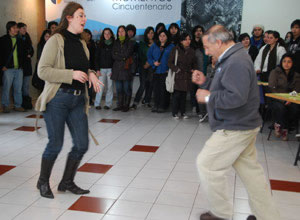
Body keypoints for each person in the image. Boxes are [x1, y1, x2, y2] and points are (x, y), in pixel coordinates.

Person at [192, 25, 280, 220]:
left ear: (220, 42)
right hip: (244, 124)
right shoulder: (231, 58)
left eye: (207, 47)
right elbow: (225, 86)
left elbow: (236, 97)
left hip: (235, 127)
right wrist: (206, 82)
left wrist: (208, 98)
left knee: (207, 165)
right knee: (252, 175)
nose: (206, 52)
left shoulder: (236, 61)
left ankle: (221, 214)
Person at [35, 2, 102, 199]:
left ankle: (66, 181)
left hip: (78, 100)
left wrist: (90, 74)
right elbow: (42, 71)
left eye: (84, 15)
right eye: (80, 15)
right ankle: (43, 181)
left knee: (82, 144)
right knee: (55, 144)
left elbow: (84, 67)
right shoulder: (56, 40)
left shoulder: (82, 43)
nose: (84, 19)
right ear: (69, 18)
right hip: (58, 99)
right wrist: (70, 75)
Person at [268, 53, 300, 141]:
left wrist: (290, 99)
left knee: (295, 109)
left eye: (289, 62)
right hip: (275, 98)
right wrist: (283, 100)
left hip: (290, 99)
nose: (286, 64)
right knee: (281, 108)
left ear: (293, 63)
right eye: (284, 61)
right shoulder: (275, 72)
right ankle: (279, 125)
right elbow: (272, 88)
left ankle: (285, 127)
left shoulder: (296, 75)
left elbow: (296, 91)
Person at [168, 33, 197, 119]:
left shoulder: (192, 51)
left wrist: (194, 69)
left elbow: (194, 63)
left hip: (187, 76)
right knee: (176, 95)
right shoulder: (176, 49)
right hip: (178, 76)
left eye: (189, 39)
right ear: (181, 41)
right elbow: (169, 62)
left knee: (184, 96)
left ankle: (183, 112)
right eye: (186, 39)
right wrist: (176, 69)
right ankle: (174, 112)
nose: (188, 41)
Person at [0, 21, 26, 113]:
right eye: (14, 28)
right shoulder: (3, 40)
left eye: (17, 28)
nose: (17, 29)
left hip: (19, 69)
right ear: (9, 29)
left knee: (18, 88)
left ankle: (18, 105)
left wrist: (22, 65)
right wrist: (2, 65)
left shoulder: (20, 40)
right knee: (6, 88)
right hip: (8, 69)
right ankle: (6, 106)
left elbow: (23, 54)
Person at [147, 30, 174, 113]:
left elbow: (174, 59)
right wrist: (153, 63)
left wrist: (170, 68)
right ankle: (156, 105)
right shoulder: (154, 46)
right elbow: (149, 56)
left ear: (167, 37)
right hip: (156, 71)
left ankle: (163, 106)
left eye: (164, 36)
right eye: (160, 36)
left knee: (164, 90)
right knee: (156, 89)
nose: (162, 37)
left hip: (165, 71)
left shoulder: (171, 46)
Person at [111, 25, 135, 112]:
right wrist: (122, 57)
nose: (120, 33)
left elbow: (127, 54)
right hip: (117, 69)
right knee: (118, 89)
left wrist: (120, 56)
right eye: (119, 31)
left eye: (122, 31)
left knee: (126, 88)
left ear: (125, 32)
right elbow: (113, 55)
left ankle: (126, 105)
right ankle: (120, 105)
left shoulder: (130, 42)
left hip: (126, 69)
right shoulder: (116, 42)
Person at [131, 26, 155, 109]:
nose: (150, 34)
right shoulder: (142, 43)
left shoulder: (156, 43)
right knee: (143, 84)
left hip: (152, 66)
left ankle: (147, 101)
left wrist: (150, 63)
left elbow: (157, 55)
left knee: (151, 84)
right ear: (146, 34)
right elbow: (140, 54)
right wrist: (146, 63)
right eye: (149, 33)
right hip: (143, 66)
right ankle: (135, 102)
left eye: (152, 33)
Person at [94, 28, 115, 110]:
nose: (107, 35)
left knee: (110, 87)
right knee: (100, 87)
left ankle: (108, 104)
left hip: (111, 69)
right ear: (103, 35)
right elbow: (96, 58)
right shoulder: (100, 44)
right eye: (105, 33)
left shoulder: (114, 44)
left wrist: (114, 69)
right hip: (101, 69)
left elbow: (115, 58)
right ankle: (97, 104)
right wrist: (97, 69)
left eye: (108, 33)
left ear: (111, 34)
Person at [18, 22, 34, 107]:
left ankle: (26, 103)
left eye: (25, 28)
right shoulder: (17, 38)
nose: (25, 30)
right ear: (19, 29)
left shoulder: (27, 37)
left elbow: (31, 50)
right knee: (19, 86)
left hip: (27, 65)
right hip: (20, 65)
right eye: (23, 28)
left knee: (26, 85)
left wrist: (30, 54)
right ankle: (20, 103)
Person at [83, 28, 96, 105]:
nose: (87, 36)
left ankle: (90, 100)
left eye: (89, 35)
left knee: (90, 86)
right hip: (82, 68)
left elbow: (94, 57)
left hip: (91, 68)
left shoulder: (93, 44)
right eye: (86, 35)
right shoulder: (80, 44)